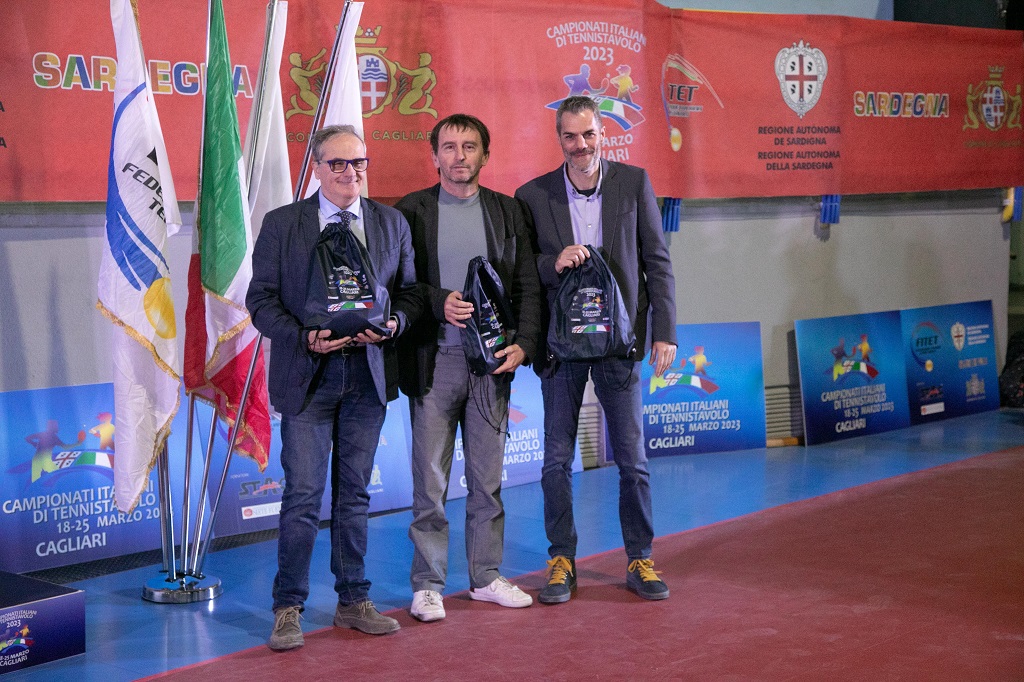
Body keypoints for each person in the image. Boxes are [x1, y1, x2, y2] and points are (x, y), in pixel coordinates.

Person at [246, 124, 420, 650]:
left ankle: (353, 600)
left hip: (367, 377)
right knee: (303, 495)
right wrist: (303, 337)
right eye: (338, 164)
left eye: (358, 162)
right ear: (317, 168)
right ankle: (288, 607)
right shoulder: (283, 224)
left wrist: (395, 325)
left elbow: (410, 294)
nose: (350, 173)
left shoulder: (391, 223)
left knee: (355, 495)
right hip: (309, 377)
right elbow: (261, 301)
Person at [515, 96, 677, 604]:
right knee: (555, 461)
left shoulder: (634, 183)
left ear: (603, 133)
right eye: (570, 136)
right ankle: (561, 560)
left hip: (618, 344)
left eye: (588, 134)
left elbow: (657, 260)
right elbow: (523, 268)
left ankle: (640, 558)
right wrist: (552, 262)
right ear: (558, 138)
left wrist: (665, 331)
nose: (580, 145)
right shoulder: (532, 195)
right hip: (561, 346)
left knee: (633, 460)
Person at [395, 114, 542, 622]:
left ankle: (485, 576)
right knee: (430, 483)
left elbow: (526, 284)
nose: (459, 156)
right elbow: (398, 284)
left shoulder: (507, 210)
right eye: (450, 146)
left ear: (485, 154)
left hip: (492, 366)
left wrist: (524, 344)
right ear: (434, 155)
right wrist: (438, 301)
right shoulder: (410, 211)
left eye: (470, 146)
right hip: (434, 362)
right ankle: (427, 585)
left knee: (487, 480)